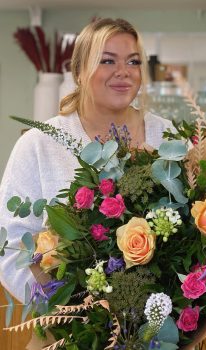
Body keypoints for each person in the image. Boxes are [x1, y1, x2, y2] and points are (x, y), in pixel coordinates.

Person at [0, 18, 175, 303]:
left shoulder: (168, 137)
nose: (124, 73)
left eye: (133, 62)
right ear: (79, 71)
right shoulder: (39, 145)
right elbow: (8, 244)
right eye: (107, 61)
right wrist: (65, 312)